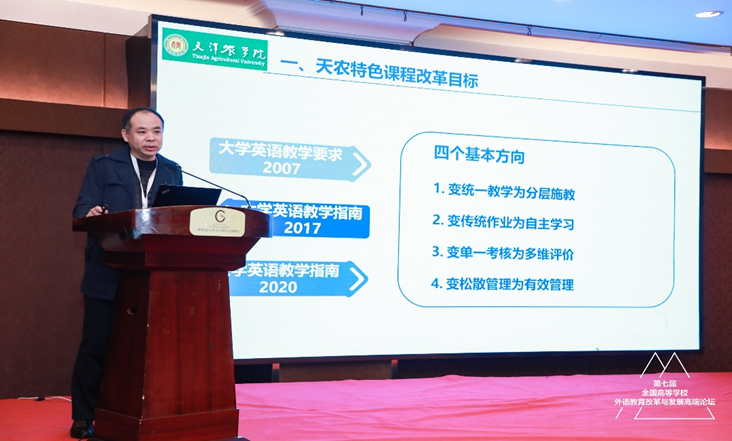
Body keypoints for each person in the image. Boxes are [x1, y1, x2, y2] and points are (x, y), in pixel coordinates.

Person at [69, 107, 183, 439]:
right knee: (96, 345)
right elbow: (82, 209)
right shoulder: (104, 165)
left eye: (157, 131)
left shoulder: (172, 170)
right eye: (142, 131)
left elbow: (177, 217)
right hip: (109, 268)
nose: (151, 138)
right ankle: (84, 416)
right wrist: (90, 212)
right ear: (126, 135)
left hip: (154, 272)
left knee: (150, 349)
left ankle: (147, 412)